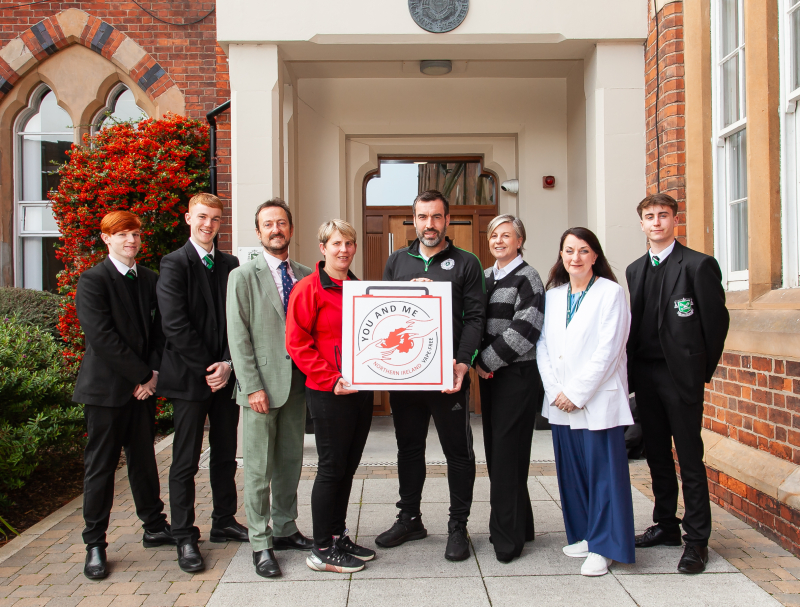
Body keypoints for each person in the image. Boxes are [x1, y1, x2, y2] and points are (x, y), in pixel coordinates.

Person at [378, 190, 486, 562]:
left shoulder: (467, 263)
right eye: (422, 217)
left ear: (447, 219)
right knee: (408, 448)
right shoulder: (396, 262)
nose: (429, 224)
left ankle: (458, 525)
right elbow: (385, 315)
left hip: (447, 378)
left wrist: (461, 362)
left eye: (436, 217)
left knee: (457, 452)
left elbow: (475, 319)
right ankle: (409, 518)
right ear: (414, 219)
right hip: (406, 378)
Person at [626, 193, 729, 574]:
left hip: (680, 378)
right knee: (656, 456)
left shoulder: (699, 266)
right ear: (641, 223)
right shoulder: (635, 270)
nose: (656, 222)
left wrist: (697, 371)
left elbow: (716, 326)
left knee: (689, 457)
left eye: (663, 216)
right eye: (649, 216)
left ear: (674, 220)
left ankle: (697, 540)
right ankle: (666, 525)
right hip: (646, 377)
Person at [73, 210, 174, 580]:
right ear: (106, 239)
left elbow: (162, 332)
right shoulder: (92, 280)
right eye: (122, 234)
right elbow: (102, 338)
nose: (131, 240)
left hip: (143, 391)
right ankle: (95, 544)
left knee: (144, 460)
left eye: (135, 234)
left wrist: (153, 377)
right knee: (100, 467)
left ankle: (154, 525)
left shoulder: (149, 279)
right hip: (105, 391)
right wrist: (143, 374)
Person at [537, 227, 635, 577]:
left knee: (603, 474)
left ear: (595, 255)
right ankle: (585, 535)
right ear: (560, 256)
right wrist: (555, 392)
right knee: (573, 472)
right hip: (560, 400)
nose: (575, 257)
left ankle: (606, 545)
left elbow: (609, 350)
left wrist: (576, 393)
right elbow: (543, 347)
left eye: (582, 251)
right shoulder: (553, 296)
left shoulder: (611, 293)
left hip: (595, 399)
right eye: (568, 251)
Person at [156, 193, 244, 573]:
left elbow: (236, 319)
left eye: (215, 219)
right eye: (202, 217)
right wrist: (210, 367)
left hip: (224, 377)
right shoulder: (173, 264)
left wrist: (227, 363)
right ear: (188, 218)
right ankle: (184, 535)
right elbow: (174, 324)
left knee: (225, 454)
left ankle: (224, 521)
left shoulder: (230, 263)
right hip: (190, 380)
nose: (208, 224)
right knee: (185, 460)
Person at [226, 199, 314, 578]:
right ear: (258, 232)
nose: (276, 229)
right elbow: (238, 336)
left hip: (297, 385)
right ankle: (261, 543)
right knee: (258, 471)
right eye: (268, 224)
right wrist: (251, 387)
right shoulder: (243, 276)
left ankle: (285, 528)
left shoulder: (308, 274)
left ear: (291, 229)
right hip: (260, 388)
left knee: (290, 464)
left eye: (281, 223)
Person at [286, 219, 375, 574]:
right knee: (331, 467)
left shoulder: (360, 288)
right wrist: (331, 377)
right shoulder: (307, 289)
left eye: (349, 243)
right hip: (328, 391)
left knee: (349, 467)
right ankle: (321, 548)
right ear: (323, 248)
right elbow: (297, 343)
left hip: (360, 390)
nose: (343, 250)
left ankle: (338, 535)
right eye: (336, 243)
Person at [475, 214, 544, 564]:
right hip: (491, 377)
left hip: (516, 375)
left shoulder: (528, 277)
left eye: (507, 235)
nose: (499, 241)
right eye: (494, 236)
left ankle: (507, 539)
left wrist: (486, 361)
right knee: (502, 452)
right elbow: (471, 319)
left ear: (520, 240)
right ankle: (521, 525)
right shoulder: (486, 277)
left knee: (506, 453)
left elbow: (526, 328)